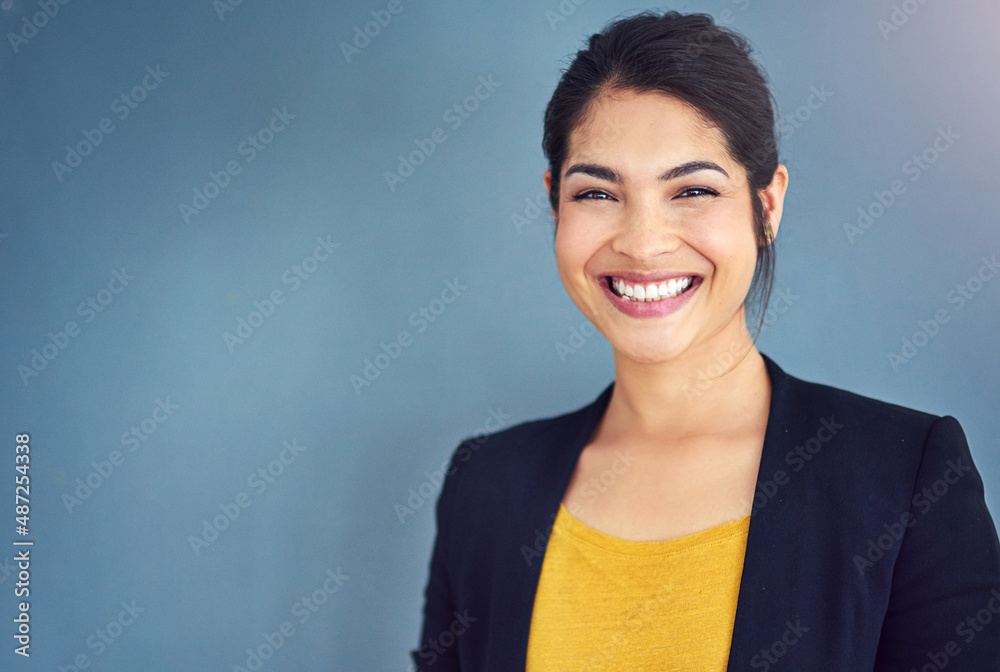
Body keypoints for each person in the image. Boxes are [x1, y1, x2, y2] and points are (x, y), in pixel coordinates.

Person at [412, 10, 1000, 671]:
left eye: (692, 189)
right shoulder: (486, 487)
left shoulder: (904, 477)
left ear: (767, 206)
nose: (641, 243)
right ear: (555, 206)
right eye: (598, 193)